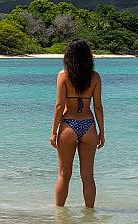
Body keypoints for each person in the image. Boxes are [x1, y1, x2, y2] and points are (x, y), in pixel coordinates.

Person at [50, 38, 105, 208]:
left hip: (68, 125)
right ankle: (90, 215)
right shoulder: (95, 77)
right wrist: (101, 132)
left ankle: (59, 216)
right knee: (87, 176)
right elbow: (97, 106)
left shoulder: (63, 76)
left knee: (63, 175)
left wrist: (53, 131)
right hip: (88, 125)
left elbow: (59, 106)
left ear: (69, 56)